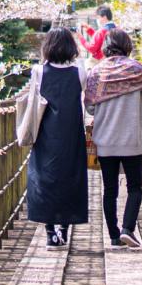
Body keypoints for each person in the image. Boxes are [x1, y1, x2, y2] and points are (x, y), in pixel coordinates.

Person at [84, 28, 142, 249]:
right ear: (128, 46)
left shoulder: (97, 73)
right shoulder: (135, 69)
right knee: (134, 187)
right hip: (132, 139)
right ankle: (127, 229)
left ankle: (113, 236)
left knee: (110, 190)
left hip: (106, 140)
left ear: (105, 47)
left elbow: (90, 108)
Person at [24, 27, 90, 247]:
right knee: (71, 178)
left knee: (45, 178)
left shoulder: (39, 72)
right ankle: (64, 228)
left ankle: (50, 231)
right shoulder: (80, 71)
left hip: (46, 133)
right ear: (71, 47)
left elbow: (34, 101)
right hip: (72, 134)